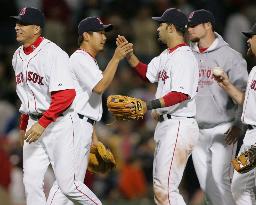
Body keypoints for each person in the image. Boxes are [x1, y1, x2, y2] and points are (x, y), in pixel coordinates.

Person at [11, 7, 102, 205]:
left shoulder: (53, 54)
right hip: (34, 124)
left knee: (68, 185)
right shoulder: (17, 56)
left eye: (22, 24)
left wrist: (42, 123)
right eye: (17, 23)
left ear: (36, 29)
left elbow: (67, 95)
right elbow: (27, 97)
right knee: (31, 181)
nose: (17, 27)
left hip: (58, 124)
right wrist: (22, 125)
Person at [116, 8, 199, 205]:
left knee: (165, 189)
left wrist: (149, 105)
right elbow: (147, 74)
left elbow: (181, 93)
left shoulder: (184, 56)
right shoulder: (166, 55)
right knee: (161, 189)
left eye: (161, 24)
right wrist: (130, 56)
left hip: (179, 124)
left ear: (171, 27)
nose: (158, 28)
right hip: (167, 125)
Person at [47, 16, 133, 204]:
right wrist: (117, 58)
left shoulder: (88, 61)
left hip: (81, 124)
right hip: (74, 125)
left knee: (66, 186)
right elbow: (100, 86)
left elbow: (84, 102)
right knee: (69, 185)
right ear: (86, 35)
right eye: (99, 33)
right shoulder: (79, 58)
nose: (104, 37)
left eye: (104, 33)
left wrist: (92, 136)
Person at [187, 9, 249, 205]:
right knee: (207, 186)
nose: (189, 29)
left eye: (194, 25)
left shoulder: (231, 56)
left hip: (224, 128)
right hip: (196, 129)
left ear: (208, 25)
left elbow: (244, 94)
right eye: (188, 25)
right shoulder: (187, 55)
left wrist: (239, 124)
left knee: (221, 181)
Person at [214, 20, 256, 205]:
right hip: (251, 135)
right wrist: (226, 84)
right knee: (239, 189)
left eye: (251, 36)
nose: (248, 40)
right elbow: (247, 103)